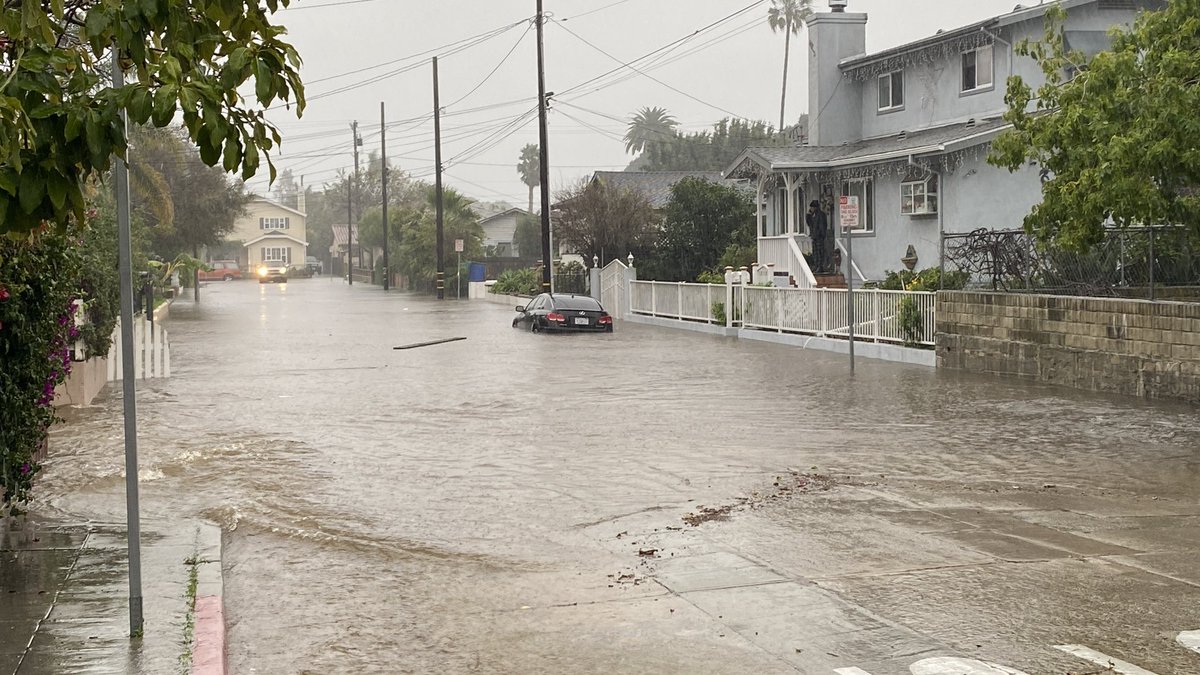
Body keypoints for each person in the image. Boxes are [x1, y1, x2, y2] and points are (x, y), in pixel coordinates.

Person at [805, 200, 829, 273]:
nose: (811, 209)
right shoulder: (813, 215)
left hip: (819, 236)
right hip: (814, 236)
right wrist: (808, 215)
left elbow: (822, 225)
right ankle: (816, 266)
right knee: (815, 252)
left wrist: (821, 234)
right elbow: (809, 223)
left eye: (812, 207)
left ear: (815, 207)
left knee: (820, 252)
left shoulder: (821, 215)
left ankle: (820, 266)